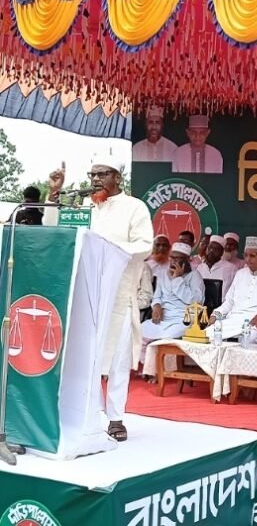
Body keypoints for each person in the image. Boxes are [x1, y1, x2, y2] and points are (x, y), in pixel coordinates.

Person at [46, 155, 153, 442]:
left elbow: (145, 245)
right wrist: (54, 194)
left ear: (117, 177)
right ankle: (86, 413)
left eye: (102, 174)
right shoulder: (84, 207)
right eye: (92, 175)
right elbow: (55, 230)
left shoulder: (134, 207)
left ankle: (115, 417)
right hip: (84, 293)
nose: (95, 179)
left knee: (117, 360)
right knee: (85, 356)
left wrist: (105, 247)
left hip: (118, 295)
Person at [205, 236, 257, 343]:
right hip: (232, 321)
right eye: (245, 255)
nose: (248, 259)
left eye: (252, 255)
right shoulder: (240, 274)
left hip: (255, 322)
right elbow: (229, 302)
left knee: (246, 340)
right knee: (206, 335)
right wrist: (216, 313)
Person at [140, 242, 205, 366]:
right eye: (172, 258)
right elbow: (157, 296)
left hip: (182, 319)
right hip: (163, 318)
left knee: (166, 338)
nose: (173, 261)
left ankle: (162, 370)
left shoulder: (195, 276)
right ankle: (146, 368)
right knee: (140, 330)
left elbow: (196, 302)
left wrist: (177, 279)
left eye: (177, 259)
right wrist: (156, 306)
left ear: (187, 260)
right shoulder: (163, 274)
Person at [196, 235, 236, 300]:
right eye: (210, 247)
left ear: (222, 252)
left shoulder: (231, 268)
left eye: (216, 249)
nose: (211, 251)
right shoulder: (200, 267)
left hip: (223, 305)